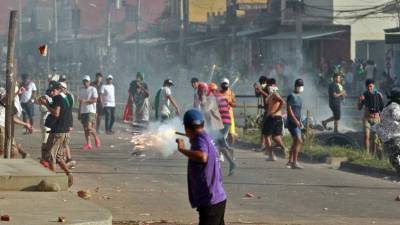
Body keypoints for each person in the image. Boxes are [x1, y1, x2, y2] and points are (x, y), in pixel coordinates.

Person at [176, 109, 227, 225]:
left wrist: (182, 149)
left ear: (187, 128)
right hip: (217, 199)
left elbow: (203, 157)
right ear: (202, 124)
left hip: (210, 201)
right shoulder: (205, 137)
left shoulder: (199, 139)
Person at [38, 82, 73, 187]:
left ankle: (54, 181)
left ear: (59, 90)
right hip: (64, 132)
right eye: (50, 91)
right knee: (58, 157)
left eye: (54, 90)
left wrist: (46, 104)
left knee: (50, 156)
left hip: (58, 132)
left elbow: (56, 113)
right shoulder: (64, 99)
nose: (52, 92)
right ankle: (69, 174)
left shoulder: (58, 98)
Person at [210, 83, 237, 176]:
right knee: (218, 143)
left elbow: (210, 112)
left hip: (223, 123)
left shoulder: (214, 98)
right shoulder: (221, 96)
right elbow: (228, 106)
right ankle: (231, 161)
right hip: (226, 122)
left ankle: (230, 154)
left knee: (216, 142)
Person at [0, 87, 32, 158]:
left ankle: (11, 164)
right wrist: (17, 92)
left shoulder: (9, 104)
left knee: (13, 151)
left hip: (6, 126)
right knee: (2, 150)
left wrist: (25, 124)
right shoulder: (3, 98)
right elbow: (4, 100)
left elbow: (11, 118)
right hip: (1, 126)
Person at [375, 87, 400, 174]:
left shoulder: (387, 106)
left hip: (385, 136)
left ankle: (396, 162)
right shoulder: (395, 106)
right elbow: (396, 116)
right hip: (394, 135)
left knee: (393, 156)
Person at [357, 79, 384, 155]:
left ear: (373, 86)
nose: (370, 88)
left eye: (371, 86)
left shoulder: (378, 95)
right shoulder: (364, 95)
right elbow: (359, 108)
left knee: (374, 139)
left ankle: (372, 155)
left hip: (376, 119)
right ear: (366, 87)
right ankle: (366, 154)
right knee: (366, 136)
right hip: (367, 118)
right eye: (368, 86)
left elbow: (382, 108)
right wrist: (359, 101)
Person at [264, 78, 287, 161]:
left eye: (269, 85)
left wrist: (274, 112)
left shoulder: (275, 93)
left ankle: (271, 156)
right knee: (276, 137)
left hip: (273, 118)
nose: (268, 87)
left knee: (266, 136)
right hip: (276, 118)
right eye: (268, 85)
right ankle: (284, 148)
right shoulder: (272, 95)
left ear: (273, 85)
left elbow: (282, 102)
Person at [79, 75, 101, 151]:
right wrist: (79, 112)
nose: (85, 82)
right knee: (85, 129)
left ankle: (96, 137)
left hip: (91, 111)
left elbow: (95, 100)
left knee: (89, 127)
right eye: (84, 81)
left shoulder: (93, 89)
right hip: (83, 111)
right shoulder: (81, 90)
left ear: (89, 82)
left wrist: (86, 101)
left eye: (87, 81)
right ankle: (89, 144)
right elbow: (80, 102)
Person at [286, 79, 305, 169]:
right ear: (295, 86)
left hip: (297, 122)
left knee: (295, 141)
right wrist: (295, 121)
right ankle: (295, 162)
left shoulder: (300, 98)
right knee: (299, 140)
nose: (301, 87)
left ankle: (290, 161)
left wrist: (300, 121)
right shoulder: (291, 96)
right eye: (299, 85)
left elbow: (299, 112)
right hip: (291, 122)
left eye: (302, 86)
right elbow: (289, 110)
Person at [59, 81, 76, 169]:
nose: (60, 89)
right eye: (59, 88)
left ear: (65, 89)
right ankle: (67, 159)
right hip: (65, 122)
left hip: (66, 122)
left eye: (62, 88)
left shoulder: (67, 97)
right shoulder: (66, 97)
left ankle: (68, 159)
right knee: (64, 142)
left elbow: (67, 111)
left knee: (64, 142)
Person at [220, 78, 237, 146]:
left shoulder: (231, 93)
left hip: (230, 116)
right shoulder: (219, 93)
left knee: (232, 135)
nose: (224, 85)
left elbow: (234, 104)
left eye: (226, 84)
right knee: (222, 135)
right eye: (223, 84)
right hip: (221, 117)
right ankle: (223, 149)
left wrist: (229, 102)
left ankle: (230, 147)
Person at [254, 76, 269, 152]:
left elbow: (271, 96)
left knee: (266, 129)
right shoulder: (263, 88)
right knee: (264, 128)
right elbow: (257, 95)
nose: (262, 84)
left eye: (262, 83)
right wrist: (256, 89)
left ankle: (265, 146)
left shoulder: (271, 87)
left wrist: (261, 90)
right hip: (267, 110)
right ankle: (264, 145)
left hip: (271, 111)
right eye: (261, 83)